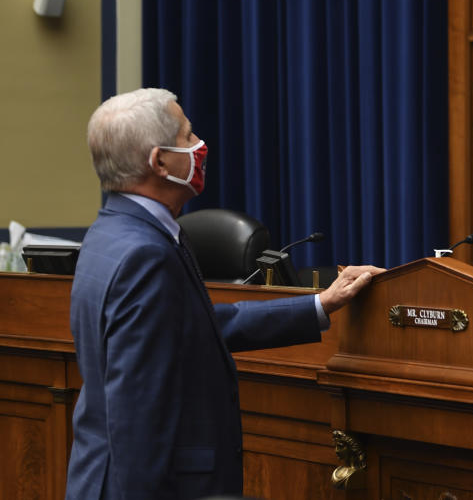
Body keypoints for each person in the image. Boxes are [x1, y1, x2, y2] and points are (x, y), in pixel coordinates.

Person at [66, 88, 383, 499]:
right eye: (186, 136)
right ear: (159, 161)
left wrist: (321, 303)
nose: (200, 146)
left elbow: (199, 328)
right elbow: (137, 415)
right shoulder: (145, 253)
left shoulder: (110, 232)